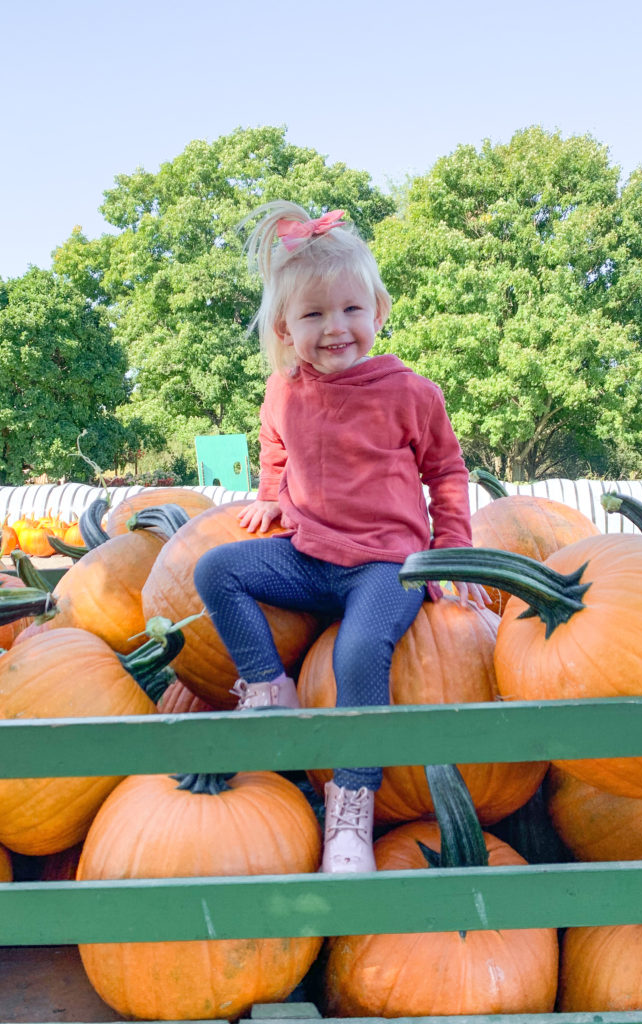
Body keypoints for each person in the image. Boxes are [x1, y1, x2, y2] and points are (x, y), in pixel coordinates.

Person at [194, 200, 488, 873]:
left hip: (385, 566)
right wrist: (271, 498)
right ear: (285, 329)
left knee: (360, 654)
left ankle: (351, 806)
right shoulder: (283, 391)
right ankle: (270, 688)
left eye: (352, 310)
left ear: (378, 311)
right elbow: (274, 445)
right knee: (218, 571)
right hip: (307, 557)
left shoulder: (411, 392)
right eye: (315, 315)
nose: (337, 328)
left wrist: (450, 548)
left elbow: (445, 471)